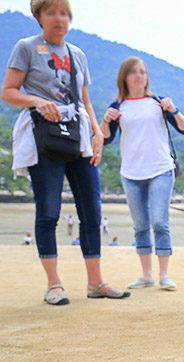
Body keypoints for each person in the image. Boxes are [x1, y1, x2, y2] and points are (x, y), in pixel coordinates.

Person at [2, 0, 129, 305]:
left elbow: (85, 100)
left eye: (63, 13)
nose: (59, 19)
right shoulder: (26, 47)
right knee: (48, 211)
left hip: (78, 135)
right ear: (39, 17)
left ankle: (95, 281)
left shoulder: (77, 54)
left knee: (92, 210)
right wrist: (36, 101)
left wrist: (98, 134)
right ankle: (54, 284)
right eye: (51, 13)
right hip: (44, 136)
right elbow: (8, 91)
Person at [101, 56, 184, 292]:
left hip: (160, 169)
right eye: (134, 72)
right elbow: (105, 139)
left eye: (142, 71)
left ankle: (164, 275)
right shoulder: (117, 107)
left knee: (160, 222)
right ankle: (146, 274)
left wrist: (174, 109)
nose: (139, 75)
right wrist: (105, 120)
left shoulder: (158, 102)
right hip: (131, 173)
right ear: (125, 77)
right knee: (140, 225)